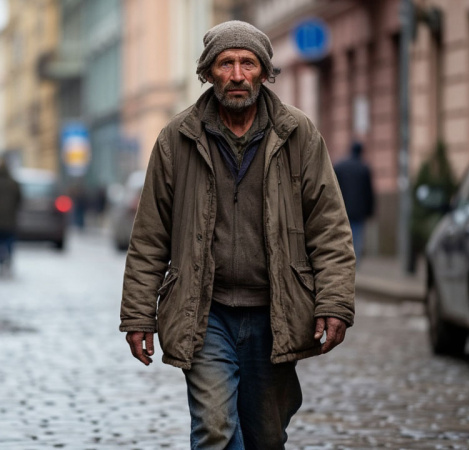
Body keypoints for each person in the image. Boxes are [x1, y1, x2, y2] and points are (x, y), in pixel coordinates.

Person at [119, 20, 356, 449]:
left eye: (248, 63)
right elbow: (150, 237)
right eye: (225, 63)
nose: (237, 74)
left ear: (264, 71)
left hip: (276, 310)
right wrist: (138, 315)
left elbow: (330, 227)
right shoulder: (177, 138)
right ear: (208, 72)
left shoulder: (298, 133)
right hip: (205, 311)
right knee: (214, 427)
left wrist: (335, 302)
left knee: (266, 435)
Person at [333, 141, 375, 261]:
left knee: (342, 235)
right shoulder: (364, 169)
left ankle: (342, 258)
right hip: (359, 210)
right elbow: (369, 192)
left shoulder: (340, 167)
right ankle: (354, 260)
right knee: (356, 236)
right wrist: (370, 211)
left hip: (342, 208)